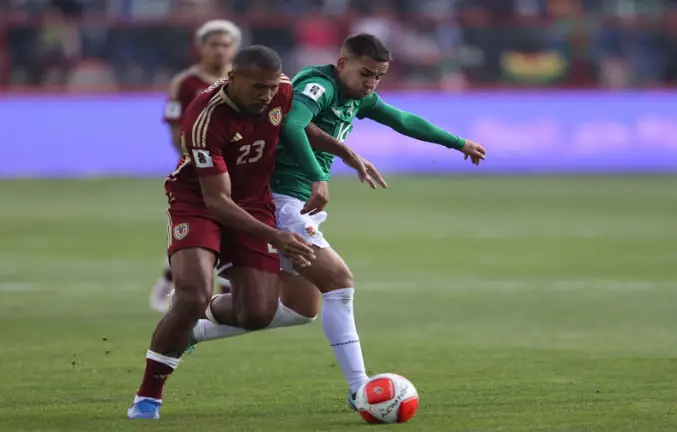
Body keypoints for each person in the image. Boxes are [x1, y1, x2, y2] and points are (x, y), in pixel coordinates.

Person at [187, 33, 487, 409]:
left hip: (290, 203)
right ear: (342, 63)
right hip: (279, 200)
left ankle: (191, 328)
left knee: (300, 309)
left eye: (378, 76)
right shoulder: (319, 86)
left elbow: (402, 119)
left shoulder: (355, 97)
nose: (371, 83)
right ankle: (359, 388)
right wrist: (319, 175)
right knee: (339, 283)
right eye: (366, 74)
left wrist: (458, 143)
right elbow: (293, 125)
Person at [127, 45, 371, 420]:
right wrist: (276, 236)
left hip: (254, 202)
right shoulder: (205, 118)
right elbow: (218, 201)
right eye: (258, 87)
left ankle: (190, 319)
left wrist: (344, 152)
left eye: (272, 87)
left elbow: (299, 126)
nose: (267, 95)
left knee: (257, 313)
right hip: (199, 201)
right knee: (193, 294)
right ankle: (148, 396)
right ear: (232, 79)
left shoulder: (282, 90)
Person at [150, 20, 242, 312]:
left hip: (238, 168)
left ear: (234, 48)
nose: (220, 50)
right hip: (198, 170)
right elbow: (175, 128)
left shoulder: (245, 79)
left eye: (225, 44)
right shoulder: (186, 83)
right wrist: (197, 160)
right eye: (214, 44)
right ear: (201, 47)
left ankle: (228, 293)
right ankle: (170, 278)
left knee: (233, 227)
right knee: (198, 231)